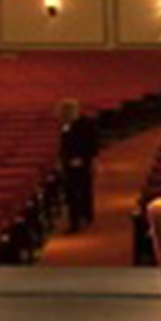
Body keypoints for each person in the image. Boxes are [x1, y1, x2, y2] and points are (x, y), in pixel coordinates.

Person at [56, 97, 99, 231]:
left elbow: (91, 144)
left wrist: (88, 160)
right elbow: (64, 145)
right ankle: (77, 219)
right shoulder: (65, 125)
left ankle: (84, 217)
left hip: (83, 161)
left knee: (83, 190)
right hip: (69, 163)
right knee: (72, 193)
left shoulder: (86, 124)